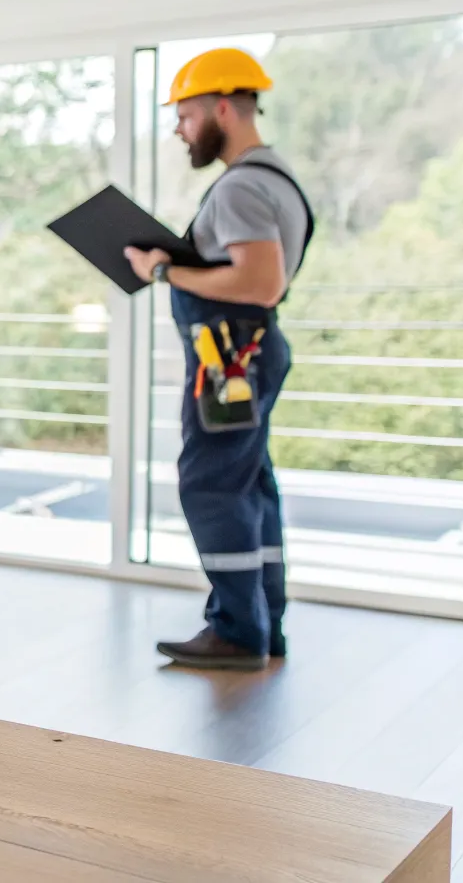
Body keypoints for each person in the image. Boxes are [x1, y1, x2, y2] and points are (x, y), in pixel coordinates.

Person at [125, 48, 313, 672]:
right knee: (249, 485)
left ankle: (236, 630)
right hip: (249, 353)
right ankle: (262, 623)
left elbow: (260, 283)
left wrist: (164, 269)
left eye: (186, 116)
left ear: (224, 107)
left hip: (233, 357)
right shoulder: (275, 176)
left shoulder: (240, 187)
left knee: (210, 483)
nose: (181, 130)